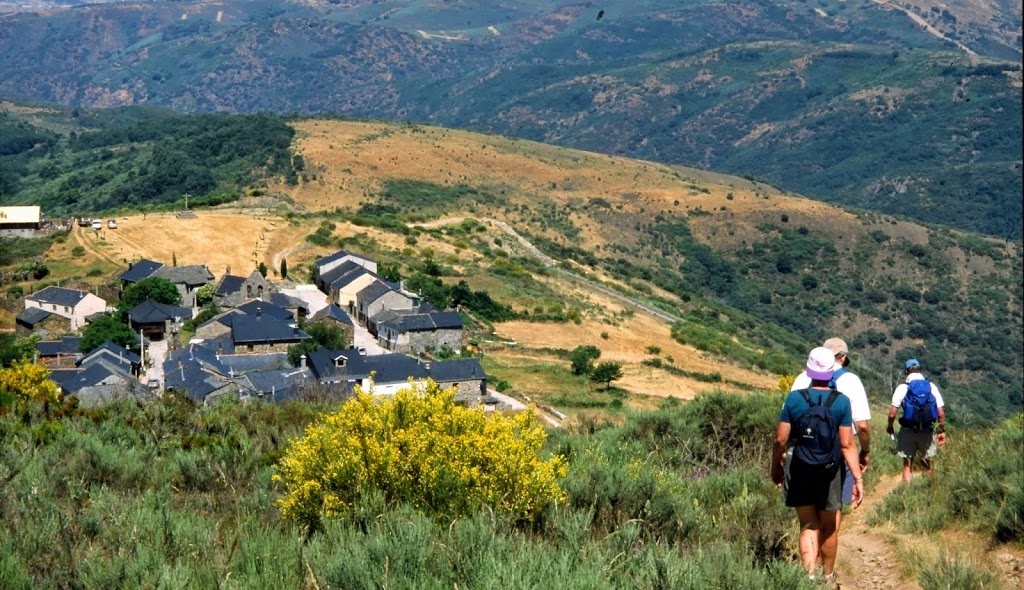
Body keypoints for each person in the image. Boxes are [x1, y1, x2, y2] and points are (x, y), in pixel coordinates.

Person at [772, 347, 864, 584]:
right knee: (828, 527)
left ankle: (809, 578)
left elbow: (780, 439)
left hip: (799, 467)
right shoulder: (841, 402)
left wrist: (776, 466)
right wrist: (858, 478)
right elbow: (847, 444)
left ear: (809, 370)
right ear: (832, 371)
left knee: (808, 524)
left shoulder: (794, 399)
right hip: (830, 470)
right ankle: (828, 577)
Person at [886, 358, 946, 483]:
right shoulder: (931, 387)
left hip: (908, 429)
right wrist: (941, 431)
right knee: (926, 462)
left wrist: (890, 426)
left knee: (907, 464)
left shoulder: (902, 388)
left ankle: (906, 491)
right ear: (920, 370)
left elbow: (892, 414)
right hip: (927, 430)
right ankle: (929, 490)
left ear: (906, 371)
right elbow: (940, 413)